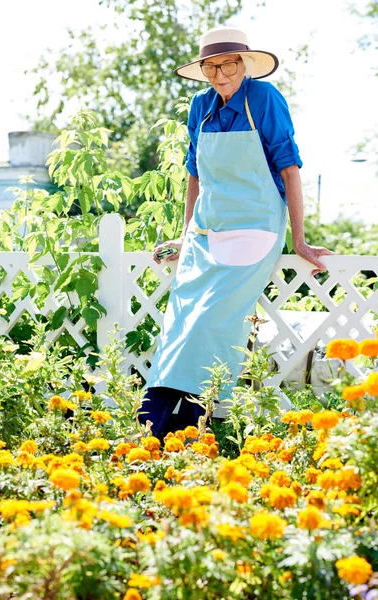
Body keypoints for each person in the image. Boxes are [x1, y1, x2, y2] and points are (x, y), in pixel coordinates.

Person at [139, 25, 333, 437]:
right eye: (212, 67)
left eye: (229, 63)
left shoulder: (263, 98)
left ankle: (180, 433)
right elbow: (194, 173)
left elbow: (290, 169)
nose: (221, 74)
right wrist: (186, 231)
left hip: (256, 227)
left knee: (213, 322)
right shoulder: (201, 106)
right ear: (204, 70)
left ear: (244, 63)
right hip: (206, 231)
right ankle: (148, 435)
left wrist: (298, 239)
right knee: (179, 323)